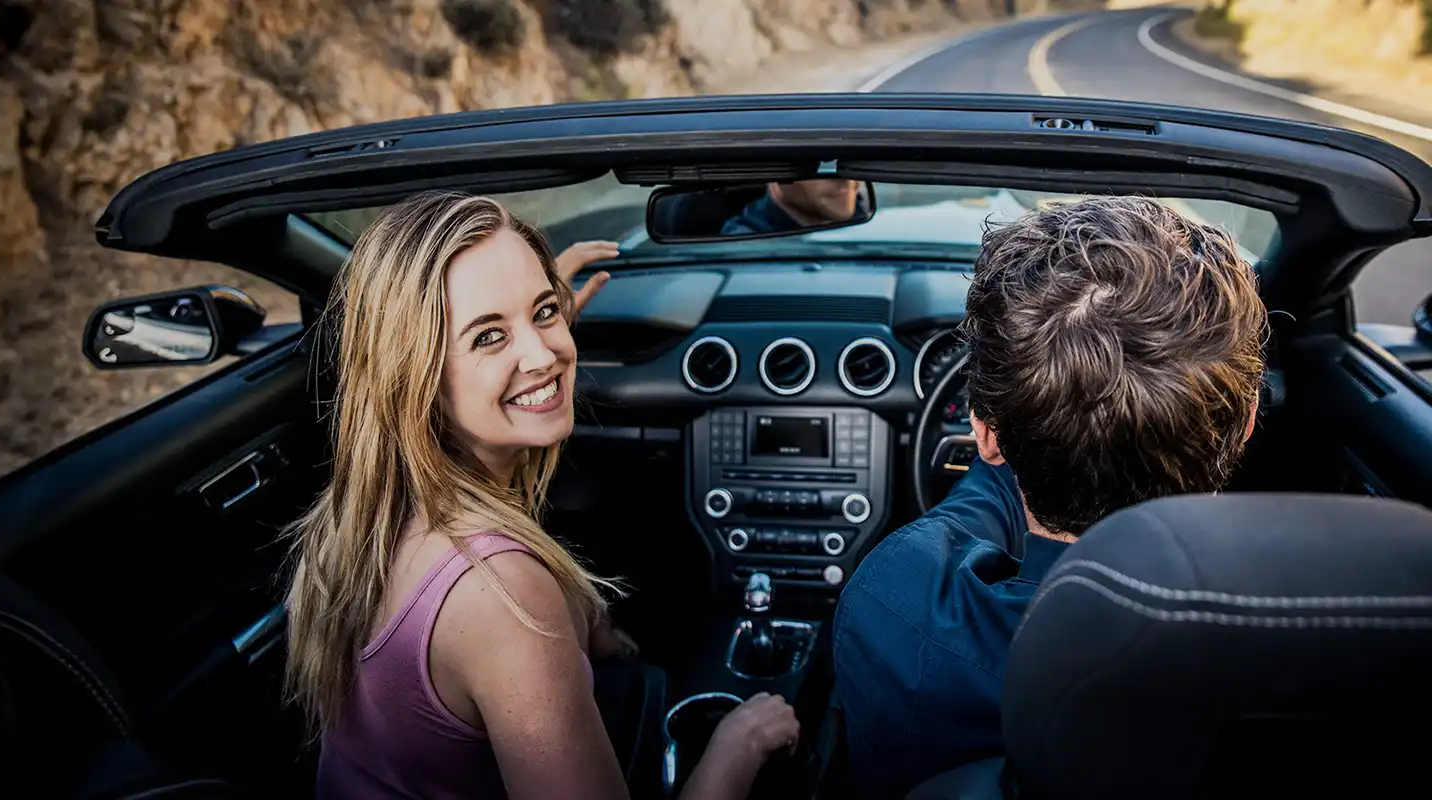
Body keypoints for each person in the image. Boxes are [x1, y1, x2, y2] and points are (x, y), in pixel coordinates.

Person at [285, 192, 801, 800]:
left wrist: (518, 325)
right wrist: (738, 744)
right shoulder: (503, 595)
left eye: (546, 311)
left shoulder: (358, 518)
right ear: (412, 373)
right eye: (488, 336)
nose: (543, 354)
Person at [832, 196, 1269, 798]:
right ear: (1248, 419)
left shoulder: (893, 601)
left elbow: (958, 524)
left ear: (983, 432)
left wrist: (1019, 429)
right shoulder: (1311, 651)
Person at [722, 178, 864, 235]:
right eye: (820, 162)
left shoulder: (869, 226)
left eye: (849, 157)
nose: (844, 177)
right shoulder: (744, 247)